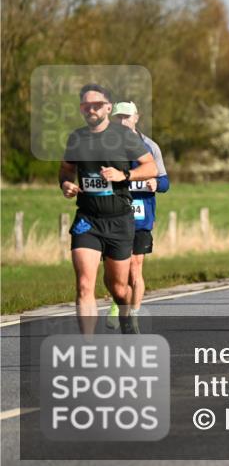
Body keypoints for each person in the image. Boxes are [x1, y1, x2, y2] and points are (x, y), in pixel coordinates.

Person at [60, 84, 157, 334]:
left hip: (119, 220)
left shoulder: (124, 136)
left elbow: (151, 168)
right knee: (84, 285)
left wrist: (124, 174)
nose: (90, 109)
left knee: (118, 288)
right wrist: (66, 184)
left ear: (107, 108)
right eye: (85, 105)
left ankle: (125, 316)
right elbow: (67, 168)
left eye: (96, 105)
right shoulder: (76, 137)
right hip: (87, 219)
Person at [106, 102, 169, 331]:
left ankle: (132, 314)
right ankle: (117, 302)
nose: (123, 121)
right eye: (118, 117)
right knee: (115, 267)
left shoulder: (150, 147)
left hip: (141, 214)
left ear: (136, 118)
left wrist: (155, 183)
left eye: (127, 116)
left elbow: (165, 181)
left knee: (135, 265)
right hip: (113, 213)